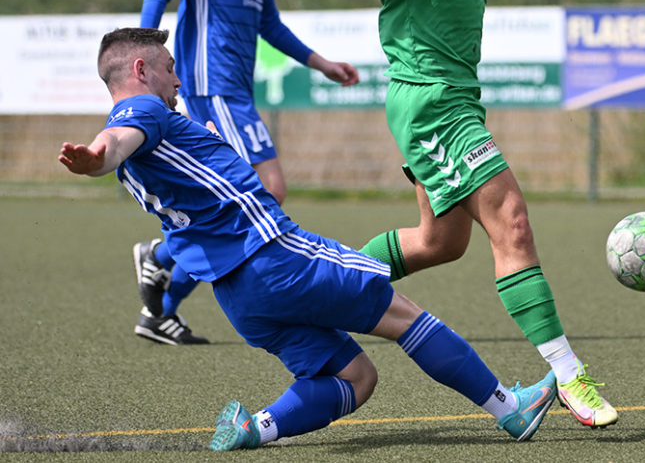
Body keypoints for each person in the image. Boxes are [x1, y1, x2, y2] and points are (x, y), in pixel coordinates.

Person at [58, 28, 556, 450]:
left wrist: (123, 157)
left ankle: (255, 427)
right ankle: (509, 408)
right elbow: (114, 143)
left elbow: (133, 153)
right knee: (404, 315)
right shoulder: (143, 111)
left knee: (357, 380)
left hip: (237, 296)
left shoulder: (157, 130)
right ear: (141, 71)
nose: (177, 77)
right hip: (275, 257)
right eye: (169, 67)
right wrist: (95, 158)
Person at [331, 0, 639, 429]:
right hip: (430, 100)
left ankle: (323, 288)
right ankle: (568, 372)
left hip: (455, 97)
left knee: (439, 243)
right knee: (512, 222)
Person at [135, 0, 360, 344]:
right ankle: (160, 259)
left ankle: (160, 303)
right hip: (208, 84)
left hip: (235, 88)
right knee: (266, 189)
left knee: (239, 196)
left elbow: (270, 24)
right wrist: (145, 63)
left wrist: (321, 64)